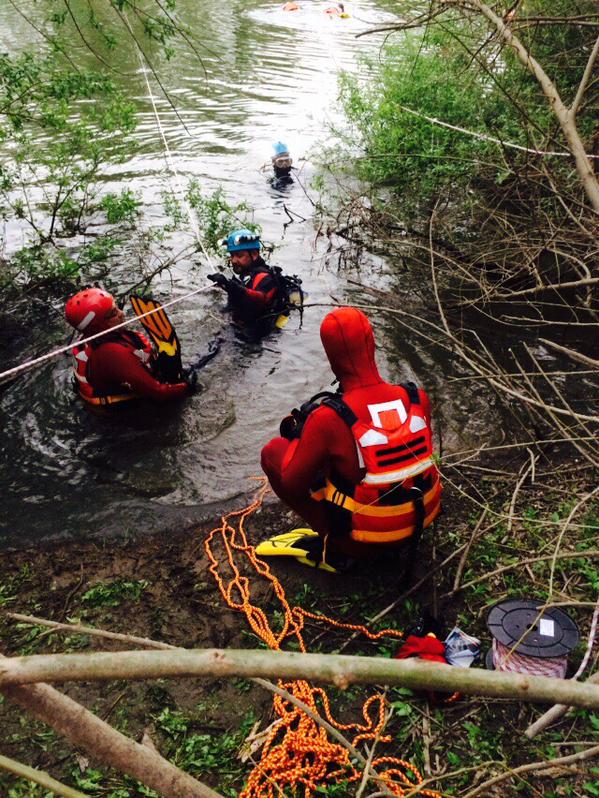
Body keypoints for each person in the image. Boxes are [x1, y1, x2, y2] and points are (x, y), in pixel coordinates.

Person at [259, 306, 441, 571]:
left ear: (331, 357)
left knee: (273, 452)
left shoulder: (327, 419)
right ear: (372, 343)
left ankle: (334, 543)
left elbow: (292, 483)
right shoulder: (417, 398)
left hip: (362, 544)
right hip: (418, 523)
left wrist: (301, 437)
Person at [65, 287, 193, 407]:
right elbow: (158, 393)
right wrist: (187, 386)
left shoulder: (90, 337)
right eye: (113, 313)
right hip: (125, 417)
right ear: (98, 325)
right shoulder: (111, 353)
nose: (122, 313)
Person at [207, 229, 283, 337]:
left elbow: (259, 298)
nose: (233, 260)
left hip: (256, 334)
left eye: (239, 255)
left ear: (254, 254)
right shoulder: (245, 275)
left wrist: (230, 286)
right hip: (238, 325)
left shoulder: (265, 278)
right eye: (232, 255)